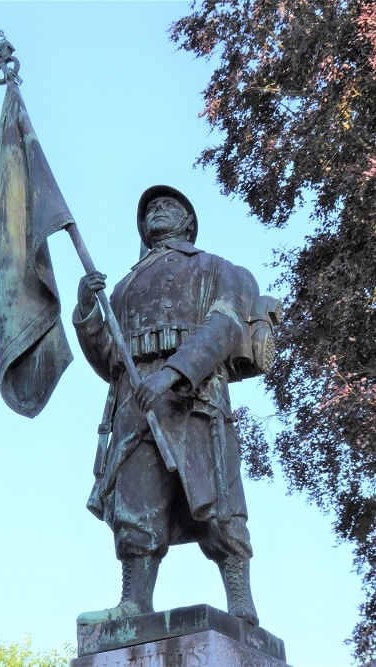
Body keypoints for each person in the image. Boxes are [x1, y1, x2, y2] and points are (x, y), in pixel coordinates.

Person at [73, 185, 280, 628]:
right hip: (135, 405)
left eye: (169, 206)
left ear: (188, 221)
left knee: (219, 504)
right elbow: (110, 359)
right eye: (150, 209)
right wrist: (87, 312)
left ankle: (241, 601)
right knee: (135, 505)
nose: (157, 211)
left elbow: (223, 326)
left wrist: (173, 373)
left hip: (194, 398)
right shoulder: (125, 287)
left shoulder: (216, 268)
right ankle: (134, 601)